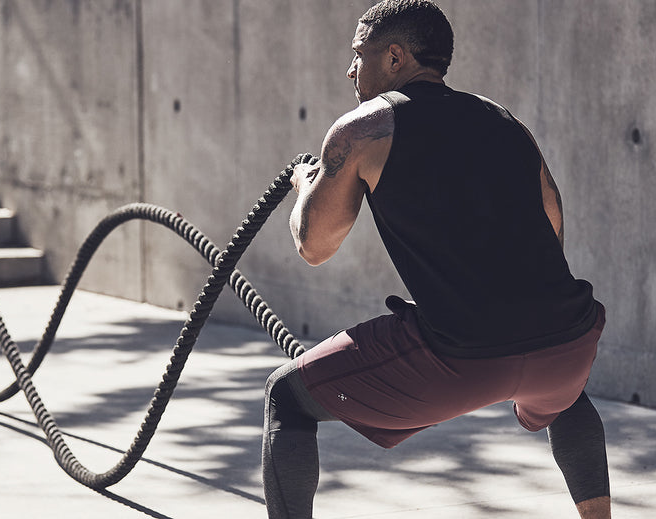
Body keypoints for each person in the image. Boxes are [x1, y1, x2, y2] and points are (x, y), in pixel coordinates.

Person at [262, 1, 611, 518]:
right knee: (566, 398)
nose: (350, 69)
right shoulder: (503, 120)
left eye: (360, 54)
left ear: (396, 58)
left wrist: (305, 185)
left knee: (285, 396)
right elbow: (552, 220)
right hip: (569, 342)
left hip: (462, 357)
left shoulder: (364, 129)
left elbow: (315, 246)